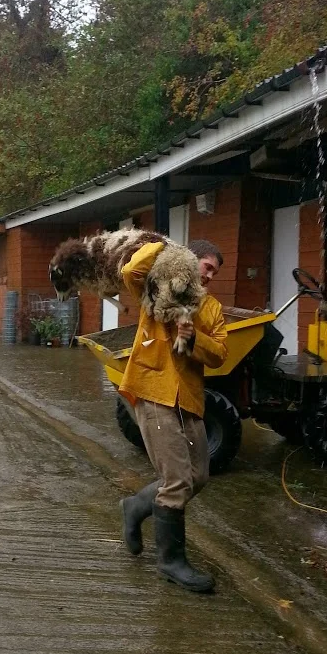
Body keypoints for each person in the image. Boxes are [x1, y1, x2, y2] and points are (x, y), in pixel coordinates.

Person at [118, 239, 227, 594]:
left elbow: (220, 354)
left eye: (214, 271)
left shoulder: (210, 308)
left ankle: (136, 506)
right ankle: (170, 560)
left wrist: (197, 339)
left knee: (198, 476)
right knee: (177, 480)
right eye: (205, 266)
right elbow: (129, 270)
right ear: (188, 261)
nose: (209, 275)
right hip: (153, 391)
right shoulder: (156, 287)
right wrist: (163, 246)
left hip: (189, 400)